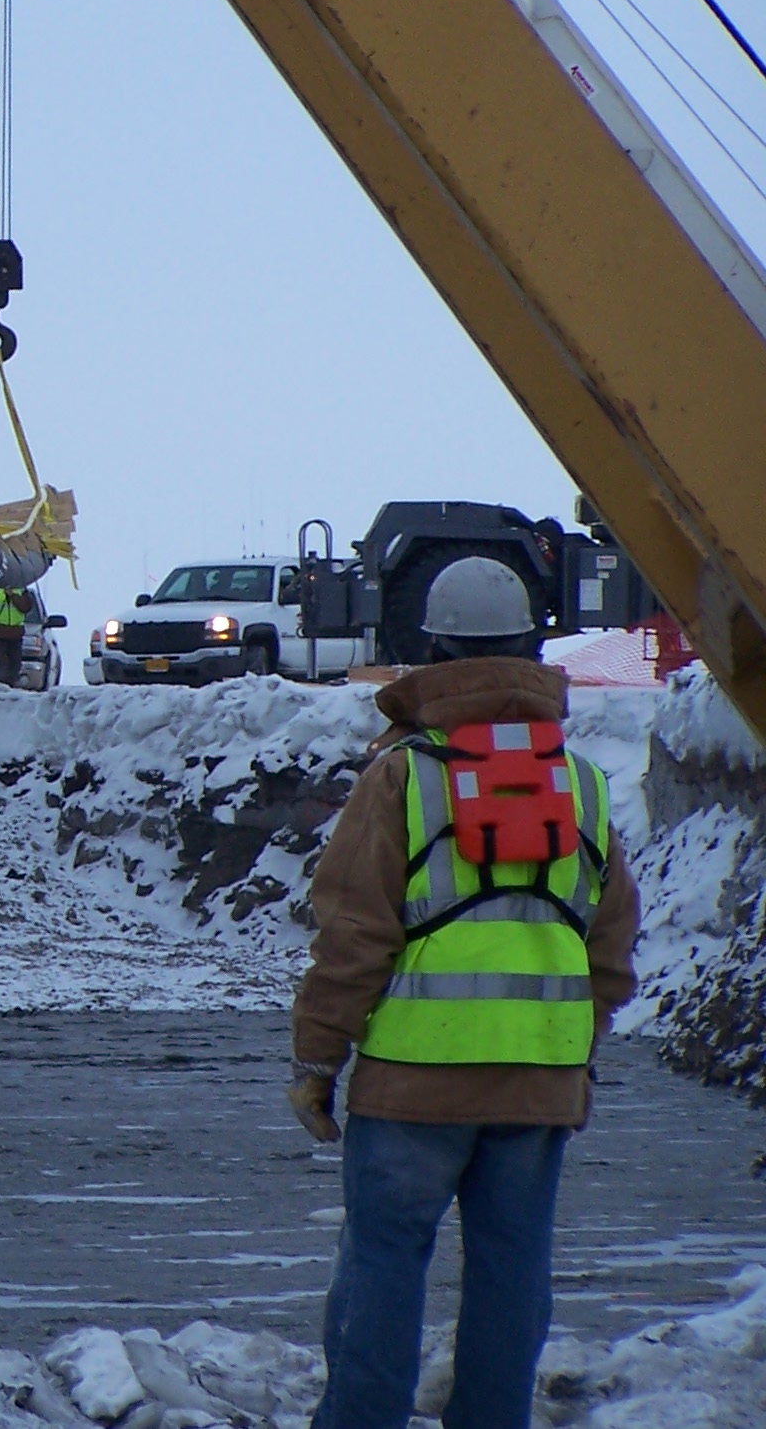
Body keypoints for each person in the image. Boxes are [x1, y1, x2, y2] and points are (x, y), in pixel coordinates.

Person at [290, 556, 639, 1429]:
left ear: (429, 647)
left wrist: (315, 1060)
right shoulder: (585, 786)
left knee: (384, 1264)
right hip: (539, 1084)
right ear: (531, 642)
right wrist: (573, 1047)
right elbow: (611, 947)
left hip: (412, 1080)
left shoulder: (404, 778)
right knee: (513, 1270)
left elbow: (354, 937)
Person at [0, 584, 27, 686]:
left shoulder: (21, 590)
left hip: (15, 635)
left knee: (14, 666)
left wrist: (13, 596)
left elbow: (26, 607)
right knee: (0, 665)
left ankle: (11, 688)